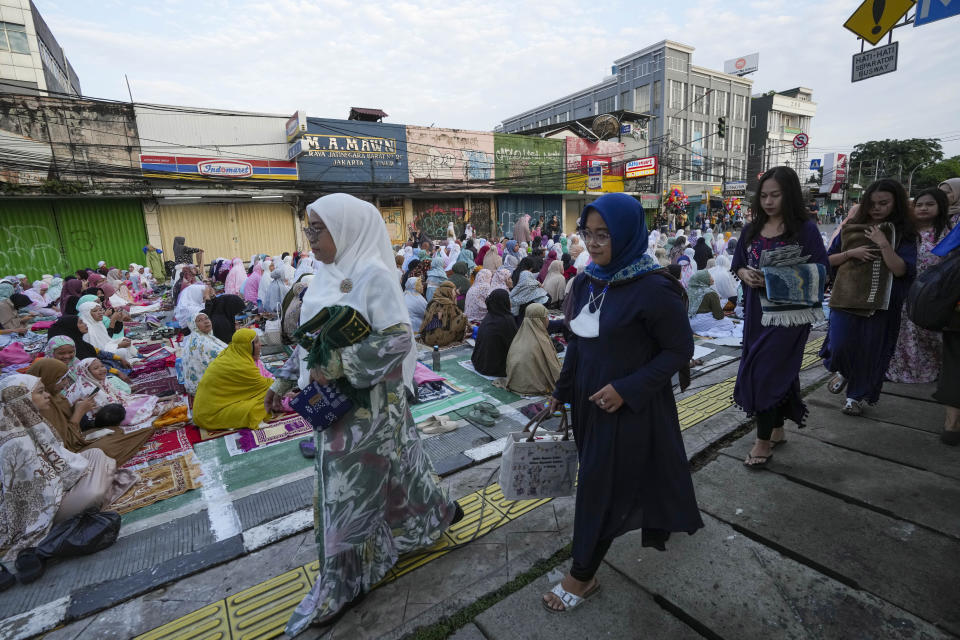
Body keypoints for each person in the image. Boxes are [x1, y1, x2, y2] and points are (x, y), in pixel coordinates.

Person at [262, 194, 458, 634]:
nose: (309, 237)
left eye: (318, 229)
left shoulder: (373, 276)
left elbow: (399, 340)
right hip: (340, 411)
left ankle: (343, 582)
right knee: (399, 468)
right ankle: (433, 516)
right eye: (308, 228)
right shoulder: (325, 276)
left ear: (346, 228)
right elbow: (312, 341)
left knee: (345, 496)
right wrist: (284, 380)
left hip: (368, 413)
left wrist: (339, 366)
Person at [544, 192, 701, 612]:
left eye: (604, 235)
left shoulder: (653, 288)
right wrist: (561, 392)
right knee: (605, 484)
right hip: (587, 403)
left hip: (627, 407)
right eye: (588, 234)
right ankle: (589, 560)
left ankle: (582, 575)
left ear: (629, 235)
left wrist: (627, 389)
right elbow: (578, 340)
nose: (593, 244)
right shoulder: (590, 278)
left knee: (599, 489)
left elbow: (678, 350)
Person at [734, 167, 829, 467]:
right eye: (764, 195)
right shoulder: (751, 229)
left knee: (765, 373)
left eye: (775, 195)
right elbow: (738, 263)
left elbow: (822, 272)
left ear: (789, 195)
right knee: (777, 371)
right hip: (756, 315)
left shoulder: (805, 230)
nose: (769, 201)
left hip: (789, 317)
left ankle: (762, 443)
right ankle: (777, 429)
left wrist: (773, 279)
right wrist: (745, 273)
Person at [0, 377, 137, 571]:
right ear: (22, 400)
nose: (47, 395)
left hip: (59, 482)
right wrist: (75, 474)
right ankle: (92, 495)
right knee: (93, 492)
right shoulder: (16, 444)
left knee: (96, 454)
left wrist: (73, 471)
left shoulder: (31, 423)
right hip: (46, 511)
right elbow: (38, 496)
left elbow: (60, 458)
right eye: (40, 392)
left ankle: (96, 481)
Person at [820, 178, 916, 416]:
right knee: (839, 346)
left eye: (884, 203)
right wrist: (851, 253)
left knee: (871, 351)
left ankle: (855, 397)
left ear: (896, 204)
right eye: (872, 203)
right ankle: (843, 370)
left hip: (882, 304)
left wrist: (883, 244)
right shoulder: (852, 226)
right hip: (847, 298)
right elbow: (826, 260)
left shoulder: (903, 233)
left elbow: (901, 270)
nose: (877, 208)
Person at [27, 358, 156, 466]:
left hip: (78, 434)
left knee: (117, 431)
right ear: (47, 379)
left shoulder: (56, 396)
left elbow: (67, 419)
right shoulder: (42, 406)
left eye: (66, 378)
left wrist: (75, 406)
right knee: (104, 448)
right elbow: (66, 444)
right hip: (69, 451)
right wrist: (78, 412)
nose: (66, 383)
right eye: (60, 380)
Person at [887, 188, 953, 383]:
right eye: (919, 204)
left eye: (930, 204)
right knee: (906, 333)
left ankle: (935, 369)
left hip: (936, 293)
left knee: (931, 335)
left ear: (941, 207)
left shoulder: (949, 234)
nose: (923, 208)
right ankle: (906, 371)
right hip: (907, 290)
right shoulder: (905, 232)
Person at [192, 329, 273, 431]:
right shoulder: (242, 365)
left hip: (204, 412)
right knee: (269, 394)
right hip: (211, 417)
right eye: (256, 342)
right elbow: (266, 385)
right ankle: (250, 419)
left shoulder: (230, 354)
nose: (260, 344)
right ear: (247, 346)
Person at [65, 358, 164, 425]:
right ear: (86, 373)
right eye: (96, 368)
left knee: (139, 399)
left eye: (102, 366)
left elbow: (118, 395)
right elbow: (106, 409)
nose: (102, 370)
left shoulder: (99, 381)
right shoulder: (87, 388)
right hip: (96, 419)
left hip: (108, 408)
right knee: (131, 411)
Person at [504, 303, 560, 395]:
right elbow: (553, 368)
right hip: (532, 387)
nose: (547, 319)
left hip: (516, 383)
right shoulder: (541, 341)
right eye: (545, 316)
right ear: (539, 320)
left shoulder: (519, 336)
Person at [470, 289, 517, 377]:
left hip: (479, 363)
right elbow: (514, 346)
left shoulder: (489, 316)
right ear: (504, 302)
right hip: (495, 368)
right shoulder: (507, 319)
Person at [181, 312, 228, 396]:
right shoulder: (202, 342)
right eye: (200, 320)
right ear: (194, 325)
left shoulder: (197, 337)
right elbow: (226, 360)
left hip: (196, 388)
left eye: (206, 318)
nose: (206, 322)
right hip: (206, 390)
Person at [420, 281, 468, 347]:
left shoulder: (432, 302)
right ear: (448, 291)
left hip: (427, 338)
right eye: (454, 290)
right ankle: (456, 340)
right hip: (440, 339)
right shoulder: (449, 305)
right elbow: (455, 322)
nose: (455, 293)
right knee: (463, 317)